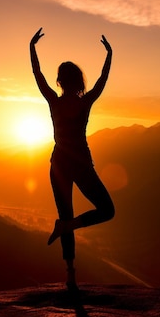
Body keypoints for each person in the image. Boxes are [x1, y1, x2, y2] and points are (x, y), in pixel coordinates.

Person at [30, 27, 115, 290]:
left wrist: (32, 48)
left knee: (64, 215)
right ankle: (70, 228)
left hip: (59, 165)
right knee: (107, 210)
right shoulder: (86, 102)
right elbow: (102, 80)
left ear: (60, 81)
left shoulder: (54, 102)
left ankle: (70, 274)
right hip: (81, 164)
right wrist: (109, 54)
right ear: (78, 81)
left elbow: (37, 74)